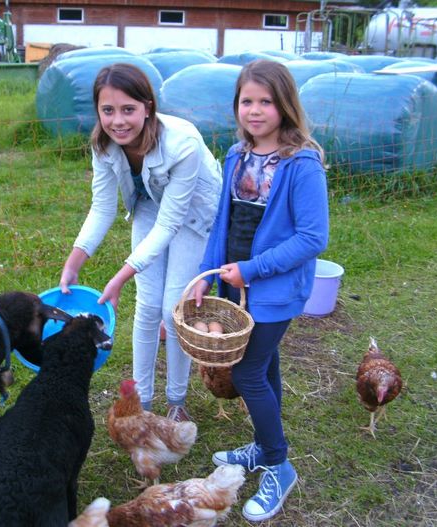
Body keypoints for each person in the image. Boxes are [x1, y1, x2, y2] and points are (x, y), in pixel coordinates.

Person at [191, 60, 329, 521]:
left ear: (285, 104)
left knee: (248, 373)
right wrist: (208, 275)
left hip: (272, 289)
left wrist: (250, 270)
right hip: (234, 281)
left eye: (265, 101)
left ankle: (278, 464)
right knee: (264, 365)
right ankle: (262, 445)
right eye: (246, 101)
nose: (254, 110)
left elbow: (312, 238)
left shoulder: (302, 162)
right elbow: (221, 225)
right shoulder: (236, 154)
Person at [59, 63, 222, 422]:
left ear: (148, 107)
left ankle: (177, 400)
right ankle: (143, 402)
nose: (118, 121)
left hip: (193, 214)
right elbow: (102, 209)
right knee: (148, 307)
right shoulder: (103, 146)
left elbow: (170, 224)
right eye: (108, 110)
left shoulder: (184, 144)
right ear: (98, 111)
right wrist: (74, 262)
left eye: (128, 109)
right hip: (149, 202)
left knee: (171, 309)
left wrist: (119, 277)